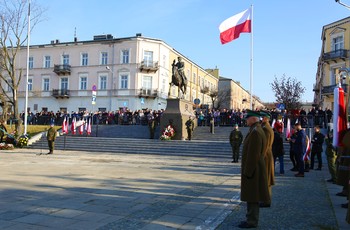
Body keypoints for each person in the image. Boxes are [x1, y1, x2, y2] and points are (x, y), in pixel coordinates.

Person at [238, 109, 269, 228]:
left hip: (253, 170)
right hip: (255, 168)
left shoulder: (256, 132)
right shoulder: (255, 130)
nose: (246, 120)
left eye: (247, 118)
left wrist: (248, 171)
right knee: (252, 196)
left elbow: (254, 154)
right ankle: (250, 219)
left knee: (252, 196)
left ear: (253, 119)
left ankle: (252, 221)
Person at [259, 110, 275, 208]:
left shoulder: (266, 129)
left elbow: (265, 145)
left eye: (262, 117)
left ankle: (266, 200)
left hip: (266, 157)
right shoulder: (265, 128)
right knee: (265, 179)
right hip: (267, 156)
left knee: (266, 179)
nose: (260, 119)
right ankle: (265, 199)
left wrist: (260, 157)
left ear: (265, 118)